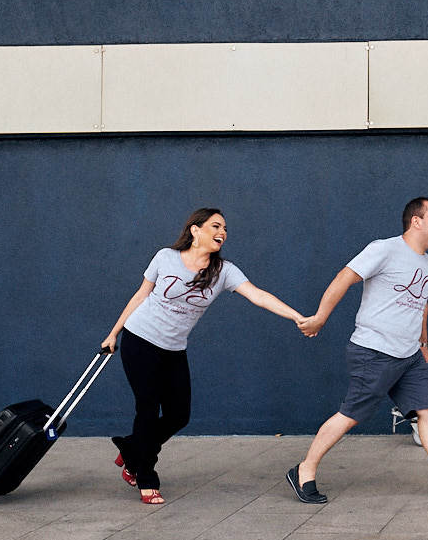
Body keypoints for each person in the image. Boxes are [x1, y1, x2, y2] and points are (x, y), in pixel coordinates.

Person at [102, 207, 309, 505]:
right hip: (140, 340)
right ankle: (144, 475)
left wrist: (296, 317)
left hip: (173, 348)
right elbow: (140, 295)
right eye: (215, 226)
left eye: (224, 228)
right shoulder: (165, 257)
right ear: (195, 230)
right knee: (147, 408)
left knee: (178, 415)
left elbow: (258, 296)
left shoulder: (224, 271)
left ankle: (133, 449)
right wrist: (113, 333)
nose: (222, 232)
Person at [288, 197, 428, 503]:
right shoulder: (384, 249)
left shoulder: (426, 262)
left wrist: (423, 343)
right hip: (375, 351)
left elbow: (422, 304)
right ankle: (305, 469)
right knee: (351, 415)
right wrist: (319, 318)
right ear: (416, 221)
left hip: (408, 355)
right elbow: (345, 277)